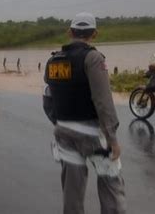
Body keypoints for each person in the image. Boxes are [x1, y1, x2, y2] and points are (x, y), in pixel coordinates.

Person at [44, 12, 126, 214]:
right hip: (93, 135)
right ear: (94, 34)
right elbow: (103, 100)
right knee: (111, 186)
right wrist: (112, 138)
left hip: (63, 133)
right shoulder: (94, 58)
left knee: (72, 192)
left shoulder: (53, 61)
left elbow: (47, 98)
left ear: (70, 32)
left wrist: (60, 121)